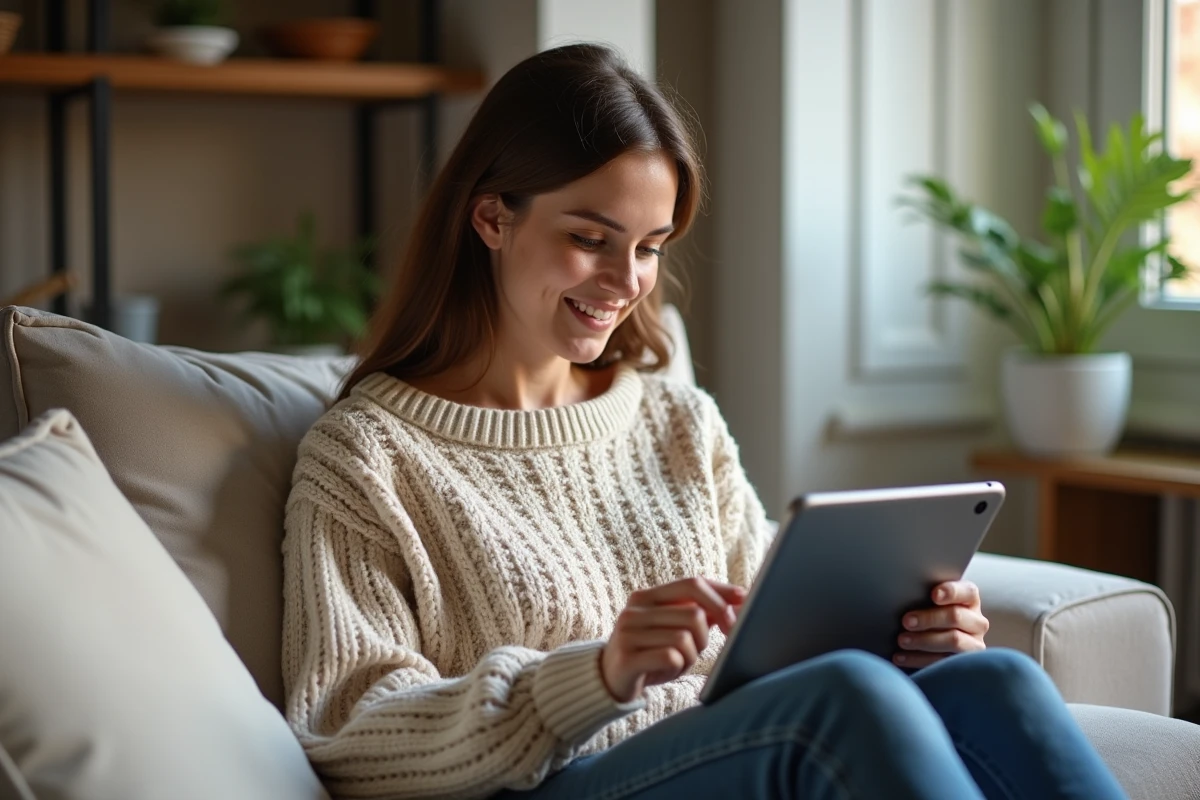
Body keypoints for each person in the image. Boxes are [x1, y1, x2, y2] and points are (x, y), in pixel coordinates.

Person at [282, 43, 1128, 800]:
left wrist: (915, 640)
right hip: (551, 785)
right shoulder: (367, 455)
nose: (625, 279)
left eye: (649, 246)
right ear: (493, 216)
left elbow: (769, 653)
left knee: (997, 684)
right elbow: (351, 732)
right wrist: (597, 674)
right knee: (844, 702)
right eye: (590, 237)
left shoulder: (679, 423)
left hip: (721, 760)